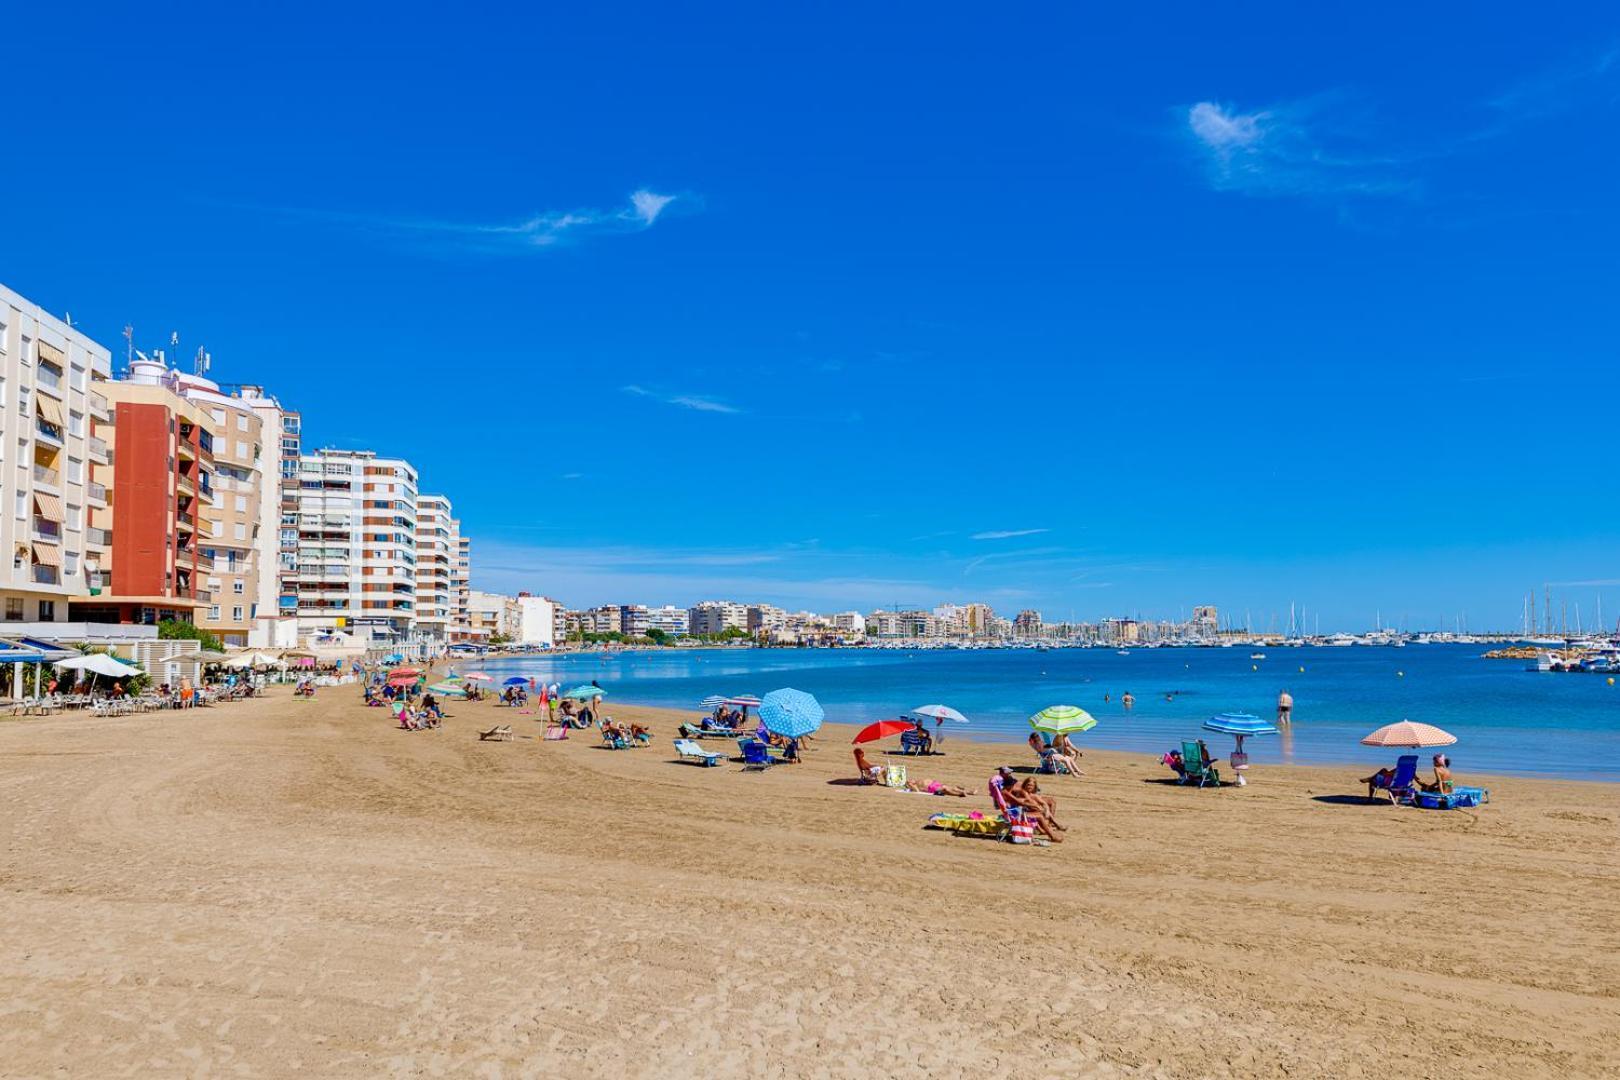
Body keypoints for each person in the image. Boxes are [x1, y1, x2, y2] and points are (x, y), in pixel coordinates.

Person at [903, 778, 972, 797]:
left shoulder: (917, 780)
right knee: (945, 789)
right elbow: (917, 791)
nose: (910, 779)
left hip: (935, 783)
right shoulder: (915, 786)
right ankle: (960, 793)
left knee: (950, 788)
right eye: (909, 781)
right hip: (931, 788)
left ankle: (969, 792)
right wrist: (910, 784)